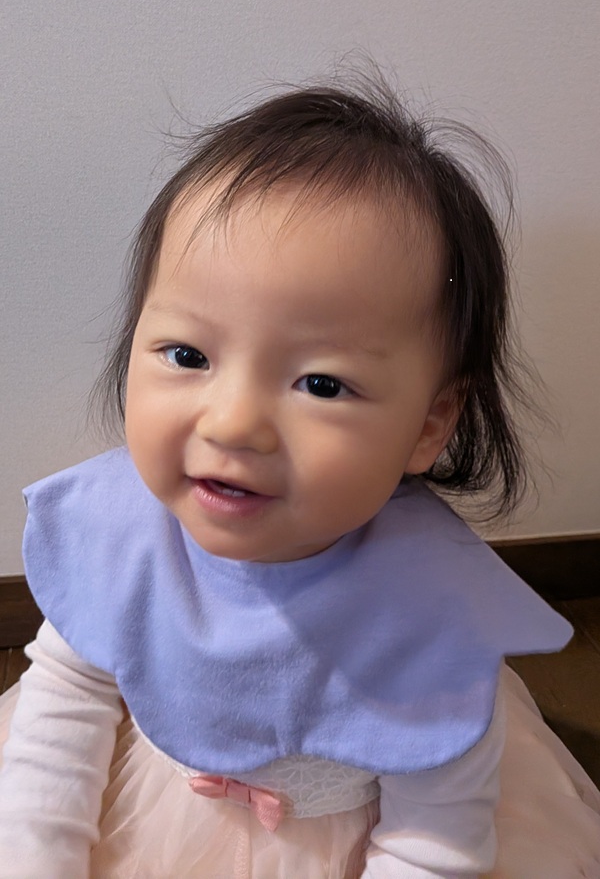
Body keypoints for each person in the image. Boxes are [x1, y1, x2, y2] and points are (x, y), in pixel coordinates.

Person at [0, 76, 599, 879]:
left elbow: (435, 841)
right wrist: (36, 857)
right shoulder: (117, 533)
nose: (231, 424)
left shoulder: (430, 619)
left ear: (430, 423)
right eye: (189, 354)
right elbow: (66, 703)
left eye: (321, 383)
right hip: (156, 807)